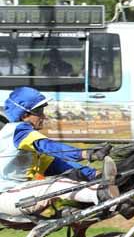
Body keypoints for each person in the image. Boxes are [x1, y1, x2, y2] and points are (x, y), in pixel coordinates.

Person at [0, 87, 119, 221]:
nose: (43, 116)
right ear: (24, 115)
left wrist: (92, 174)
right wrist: (85, 154)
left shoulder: (27, 145)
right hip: (7, 197)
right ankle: (101, 194)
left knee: (61, 180)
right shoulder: (18, 131)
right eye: (39, 112)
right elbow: (49, 146)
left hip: (16, 196)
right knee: (55, 185)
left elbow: (57, 165)